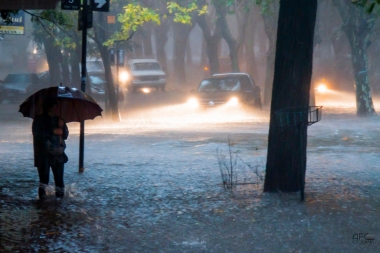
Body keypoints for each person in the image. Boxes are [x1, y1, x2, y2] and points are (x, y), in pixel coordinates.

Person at [32, 98, 69, 199]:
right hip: (43, 155)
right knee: (44, 181)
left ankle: (59, 203)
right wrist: (53, 131)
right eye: (53, 107)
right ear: (48, 108)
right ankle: (42, 203)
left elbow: (65, 136)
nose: (55, 109)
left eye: (56, 107)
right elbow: (37, 135)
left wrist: (63, 128)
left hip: (58, 154)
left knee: (59, 181)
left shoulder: (59, 119)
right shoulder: (39, 119)